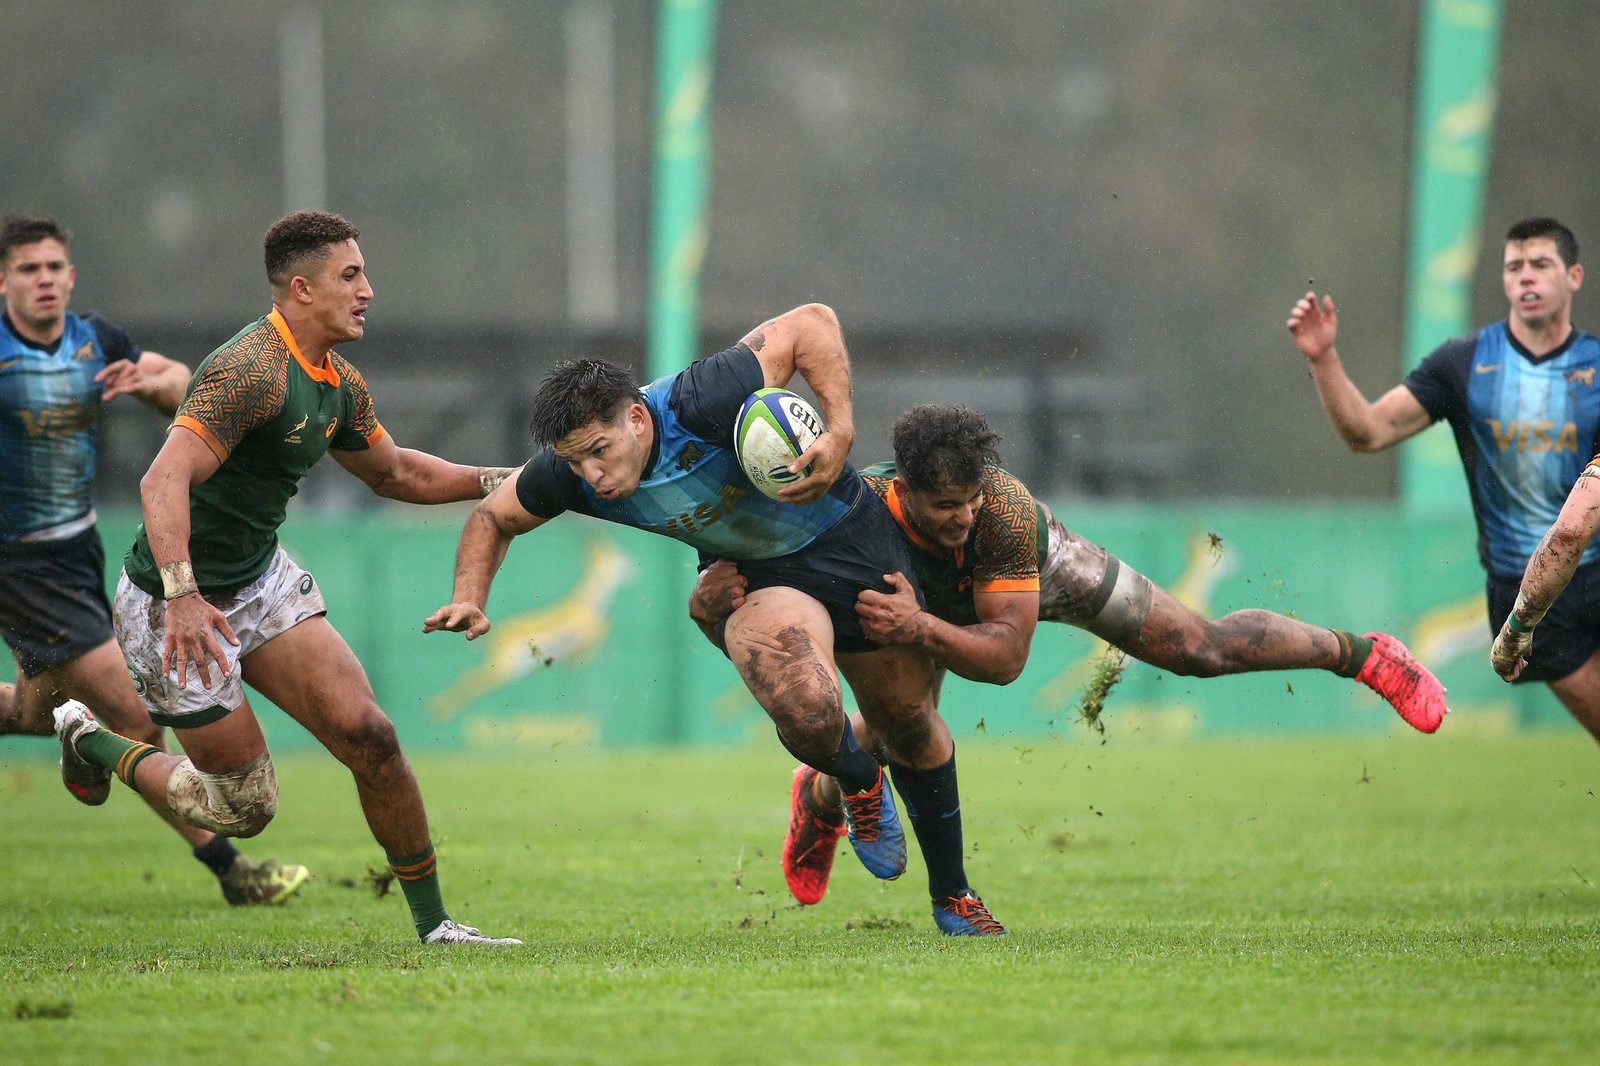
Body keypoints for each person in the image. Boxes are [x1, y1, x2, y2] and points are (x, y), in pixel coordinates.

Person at [691, 404, 1449, 910]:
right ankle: (820, 802)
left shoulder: (1006, 517)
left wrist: (919, 626)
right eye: (943, 507)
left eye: (971, 499)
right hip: (910, 606)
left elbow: (1004, 659)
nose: (962, 517)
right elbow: (763, 593)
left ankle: (1363, 655)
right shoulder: (864, 518)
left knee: (1198, 649)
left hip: (1024, 584)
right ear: (905, 492)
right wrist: (713, 599)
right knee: (895, 737)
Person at [422, 305, 1005, 935]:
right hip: (757, 579)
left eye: (599, 451)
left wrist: (838, 432)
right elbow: (492, 517)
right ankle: (858, 782)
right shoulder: (570, 475)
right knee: (808, 709)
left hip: (853, 545)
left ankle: (952, 896)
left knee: (908, 723)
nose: (591, 474)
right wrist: (469, 593)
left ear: (638, 419)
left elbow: (813, 322)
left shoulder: (705, 396)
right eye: (575, 461)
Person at [50, 210, 520, 946]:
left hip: (258, 580)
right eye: (351, 276)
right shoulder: (248, 371)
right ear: (302, 289)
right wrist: (182, 595)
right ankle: (91, 738)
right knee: (245, 807)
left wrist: (519, 482)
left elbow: (396, 473)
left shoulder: (336, 382)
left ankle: (436, 930)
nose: (368, 290)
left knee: (373, 738)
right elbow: (160, 482)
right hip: (169, 602)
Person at [0, 213, 307, 905]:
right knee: (137, 719)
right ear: (4, 281)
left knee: (29, 709)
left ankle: (74, 738)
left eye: (54, 268)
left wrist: (147, 382)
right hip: (18, 562)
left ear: (70, 276)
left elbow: (182, 387)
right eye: (28, 269)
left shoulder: (94, 339)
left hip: (75, 550)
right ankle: (234, 873)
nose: (44, 280)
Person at [1288, 216, 1600, 742]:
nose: (1526, 278)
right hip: (1530, 596)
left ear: (1574, 277)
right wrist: (1324, 359)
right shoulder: (1464, 363)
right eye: (1514, 267)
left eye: (1541, 265)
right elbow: (1367, 432)